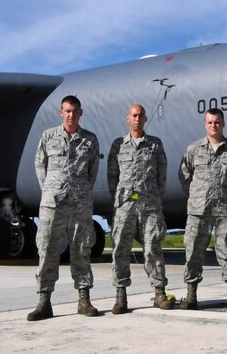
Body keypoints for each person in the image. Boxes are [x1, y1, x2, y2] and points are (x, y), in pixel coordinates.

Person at [27, 95, 101, 321]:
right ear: (61, 113)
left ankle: (84, 299)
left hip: (80, 203)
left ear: (81, 113)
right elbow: (40, 164)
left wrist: (81, 192)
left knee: (81, 248)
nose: (71, 115)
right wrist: (49, 188)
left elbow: (92, 171)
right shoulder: (48, 136)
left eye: (74, 111)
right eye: (67, 111)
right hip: (53, 204)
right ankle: (44, 301)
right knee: (47, 247)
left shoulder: (89, 140)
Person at [107, 104, 175, 313]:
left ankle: (159, 292)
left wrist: (152, 196)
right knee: (120, 249)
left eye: (140, 116)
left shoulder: (155, 145)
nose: (137, 119)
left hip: (150, 205)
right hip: (125, 207)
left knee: (153, 248)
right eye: (134, 115)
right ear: (128, 118)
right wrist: (121, 200)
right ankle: (120, 296)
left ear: (145, 119)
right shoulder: (118, 145)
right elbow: (112, 178)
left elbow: (161, 176)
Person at [178, 108, 227, 311]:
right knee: (193, 252)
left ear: (223, 124)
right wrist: (196, 197)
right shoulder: (193, 149)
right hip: (198, 211)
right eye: (210, 122)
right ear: (205, 124)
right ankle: (191, 295)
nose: (213, 126)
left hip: (225, 210)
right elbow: (184, 177)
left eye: (217, 122)